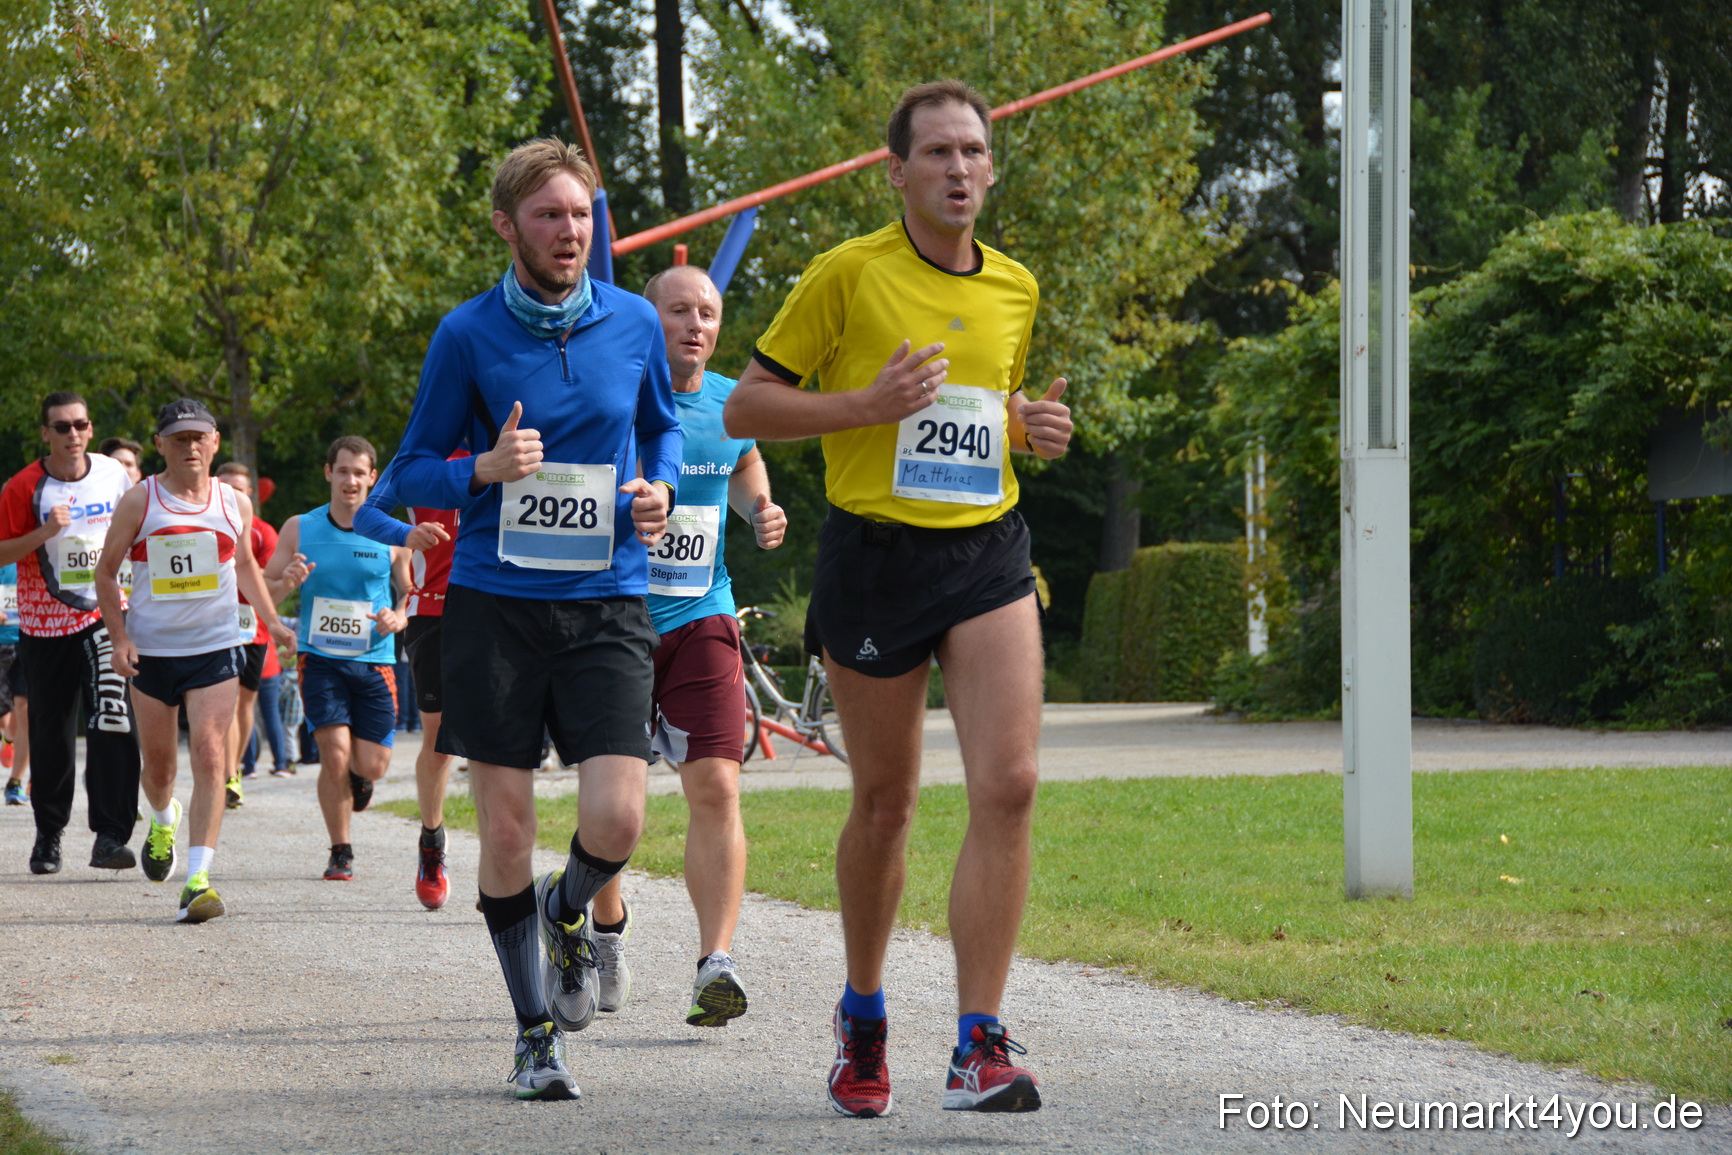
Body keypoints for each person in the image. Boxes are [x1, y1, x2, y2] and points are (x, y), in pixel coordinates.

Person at [724, 80, 1074, 1117]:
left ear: (991, 168)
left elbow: (982, 405)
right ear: (897, 172)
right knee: (886, 803)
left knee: (1010, 783)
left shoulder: (1015, 285)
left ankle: (977, 1042)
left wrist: (1025, 429)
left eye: (973, 151)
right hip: (876, 557)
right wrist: (863, 405)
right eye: (937, 152)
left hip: (987, 553)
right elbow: (746, 406)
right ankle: (864, 1012)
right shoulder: (850, 273)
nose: (958, 168)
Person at [373, 137, 679, 1101]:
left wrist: (661, 489)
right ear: (508, 226)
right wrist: (481, 469)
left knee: (618, 816)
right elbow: (406, 472)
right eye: (550, 215)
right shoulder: (465, 334)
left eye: (581, 214)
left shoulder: (633, 321)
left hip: (607, 598)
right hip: (496, 608)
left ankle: (568, 906)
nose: (569, 231)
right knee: (505, 831)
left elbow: (663, 424)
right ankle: (534, 1032)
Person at [586, 264, 786, 1028]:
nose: (695, 324)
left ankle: (715, 963)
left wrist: (760, 506)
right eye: (678, 310)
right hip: (615, 620)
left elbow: (744, 458)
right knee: (618, 806)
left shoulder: (732, 402)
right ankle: (607, 928)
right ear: (648, 319)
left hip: (704, 614)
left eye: (707, 311)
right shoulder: (608, 394)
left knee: (718, 787)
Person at [95, 400, 296, 922]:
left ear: (214, 442)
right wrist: (119, 638)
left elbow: (246, 566)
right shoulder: (141, 500)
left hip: (215, 647)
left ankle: (198, 880)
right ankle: (164, 819)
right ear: (160, 444)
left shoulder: (233, 502)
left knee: (210, 754)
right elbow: (105, 572)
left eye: (198, 437)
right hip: (153, 652)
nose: (190, 447)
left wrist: (273, 622)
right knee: (160, 768)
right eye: (179, 438)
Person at [0, 392, 142, 875]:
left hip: (104, 616)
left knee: (113, 717)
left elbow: (137, 530)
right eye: (62, 427)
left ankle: (111, 835)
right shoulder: (24, 487)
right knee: (52, 731)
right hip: (44, 625)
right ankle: (49, 834)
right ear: (46, 434)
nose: (73, 434)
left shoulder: (112, 473)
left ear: (90, 428)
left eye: (80, 425)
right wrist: (43, 533)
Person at [264, 436, 412, 882]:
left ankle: (359, 778)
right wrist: (286, 583)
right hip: (319, 658)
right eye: (342, 470)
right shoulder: (299, 527)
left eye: (359, 472)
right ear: (329, 473)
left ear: (373, 477)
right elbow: (265, 589)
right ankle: (340, 850)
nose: (351, 480)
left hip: (375, 659)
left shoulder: (392, 532)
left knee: (371, 764)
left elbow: (409, 592)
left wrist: (398, 617)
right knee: (334, 754)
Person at [353, 454, 464, 910]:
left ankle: (502, 866)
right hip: (432, 611)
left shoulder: (514, 448)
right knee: (439, 740)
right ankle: (431, 841)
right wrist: (405, 533)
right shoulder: (423, 455)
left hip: (498, 609)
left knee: (497, 740)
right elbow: (367, 516)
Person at [215, 462, 281, 799]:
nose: (233, 494)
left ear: (250, 494)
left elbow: (267, 579)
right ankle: (226, 773)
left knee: (244, 704)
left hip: (252, 629)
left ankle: (233, 770)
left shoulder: (263, 532)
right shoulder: (203, 523)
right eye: (226, 487)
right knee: (223, 702)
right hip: (213, 624)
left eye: (239, 489)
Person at [1, 561, 28, 804]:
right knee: (6, 718)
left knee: (25, 709)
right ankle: (8, 738)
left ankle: (15, 783)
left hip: (26, 639)